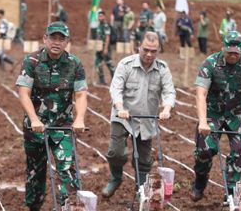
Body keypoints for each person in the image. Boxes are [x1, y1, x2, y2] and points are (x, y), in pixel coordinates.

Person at [15, 21, 87, 210]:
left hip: (62, 127)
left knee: (67, 168)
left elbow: (80, 94)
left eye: (61, 39)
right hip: (36, 127)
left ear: (67, 42)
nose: (56, 42)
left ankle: (69, 206)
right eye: (52, 38)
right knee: (35, 172)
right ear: (45, 39)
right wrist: (34, 119)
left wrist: (79, 119)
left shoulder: (75, 64)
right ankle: (34, 206)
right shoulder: (31, 62)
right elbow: (24, 93)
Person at [102, 32, 175, 198]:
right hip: (123, 117)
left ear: (158, 51)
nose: (149, 54)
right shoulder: (126, 65)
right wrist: (120, 107)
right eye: (146, 50)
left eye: (153, 51)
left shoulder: (162, 69)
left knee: (144, 160)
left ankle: (140, 190)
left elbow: (169, 91)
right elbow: (116, 89)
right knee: (117, 152)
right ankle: (116, 177)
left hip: (146, 119)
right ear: (139, 47)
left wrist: (167, 109)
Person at [192, 31, 241, 201]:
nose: (232, 55)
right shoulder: (210, 63)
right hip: (213, 113)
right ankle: (200, 181)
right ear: (223, 48)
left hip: (238, 113)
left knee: (240, 152)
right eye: (229, 52)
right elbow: (201, 94)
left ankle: (230, 193)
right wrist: (202, 122)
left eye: (236, 53)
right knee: (205, 151)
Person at [95, 11, 115, 84]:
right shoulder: (99, 26)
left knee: (109, 64)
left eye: (101, 16)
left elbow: (107, 37)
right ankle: (102, 80)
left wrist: (105, 48)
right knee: (97, 63)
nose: (99, 17)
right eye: (99, 16)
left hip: (105, 48)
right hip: (99, 48)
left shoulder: (106, 26)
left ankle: (115, 80)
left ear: (104, 17)